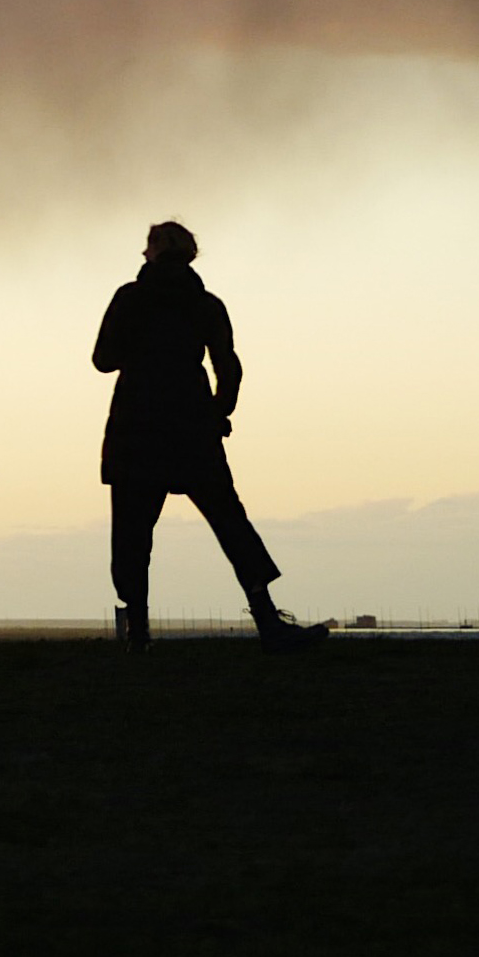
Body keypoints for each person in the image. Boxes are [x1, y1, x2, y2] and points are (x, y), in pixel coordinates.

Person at [91, 223, 316, 645]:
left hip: (136, 431)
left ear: (153, 253)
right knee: (231, 524)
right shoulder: (206, 305)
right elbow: (228, 366)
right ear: (192, 256)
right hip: (192, 428)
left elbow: (103, 360)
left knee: (132, 536)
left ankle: (137, 632)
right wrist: (218, 412)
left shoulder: (129, 299)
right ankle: (268, 620)